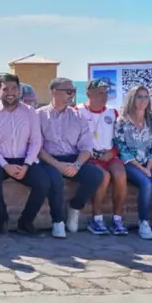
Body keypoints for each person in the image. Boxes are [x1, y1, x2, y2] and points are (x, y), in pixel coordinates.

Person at [0, 74, 50, 236]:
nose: (10, 92)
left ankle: (25, 223)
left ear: (19, 91)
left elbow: (36, 141)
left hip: (23, 159)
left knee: (43, 183)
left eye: (14, 89)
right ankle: (2, 220)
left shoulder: (30, 112)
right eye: (5, 89)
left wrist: (26, 165)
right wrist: (6, 166)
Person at [36, 78, 104, 239]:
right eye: (68, 91)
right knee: (55, 181)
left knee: (96, 175)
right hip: (49, 159)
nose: (72, 95)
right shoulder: (38, 115)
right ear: (54, 92)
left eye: (73, 91)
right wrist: (57, 165)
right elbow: (37, 148)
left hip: (73, 157)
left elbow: (86, 147)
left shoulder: (78, 116)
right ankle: (58, 222)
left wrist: (77, 165)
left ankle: (75, 206)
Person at [114, 84, 152, 240]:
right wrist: (142, 169)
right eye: (139, 97)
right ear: (132, 99)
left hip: (149, 163)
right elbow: (122, 148)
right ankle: (144, 223)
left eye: (146, 97)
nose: (143, 100)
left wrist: (148, 167)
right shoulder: (121, 122)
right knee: (146, 184)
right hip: (130, 163)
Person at [77, 79, 129, 235]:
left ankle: (117, 219)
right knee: (103, 177)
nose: (104, 97)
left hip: (109, 154)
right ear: (88, 94)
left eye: (106, 93)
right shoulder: (78, 111)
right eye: (100, 93)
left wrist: (112, 152)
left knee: (120, 175)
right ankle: (96, 218)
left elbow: (120, 138)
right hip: (88, 157)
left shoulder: (112, 112)